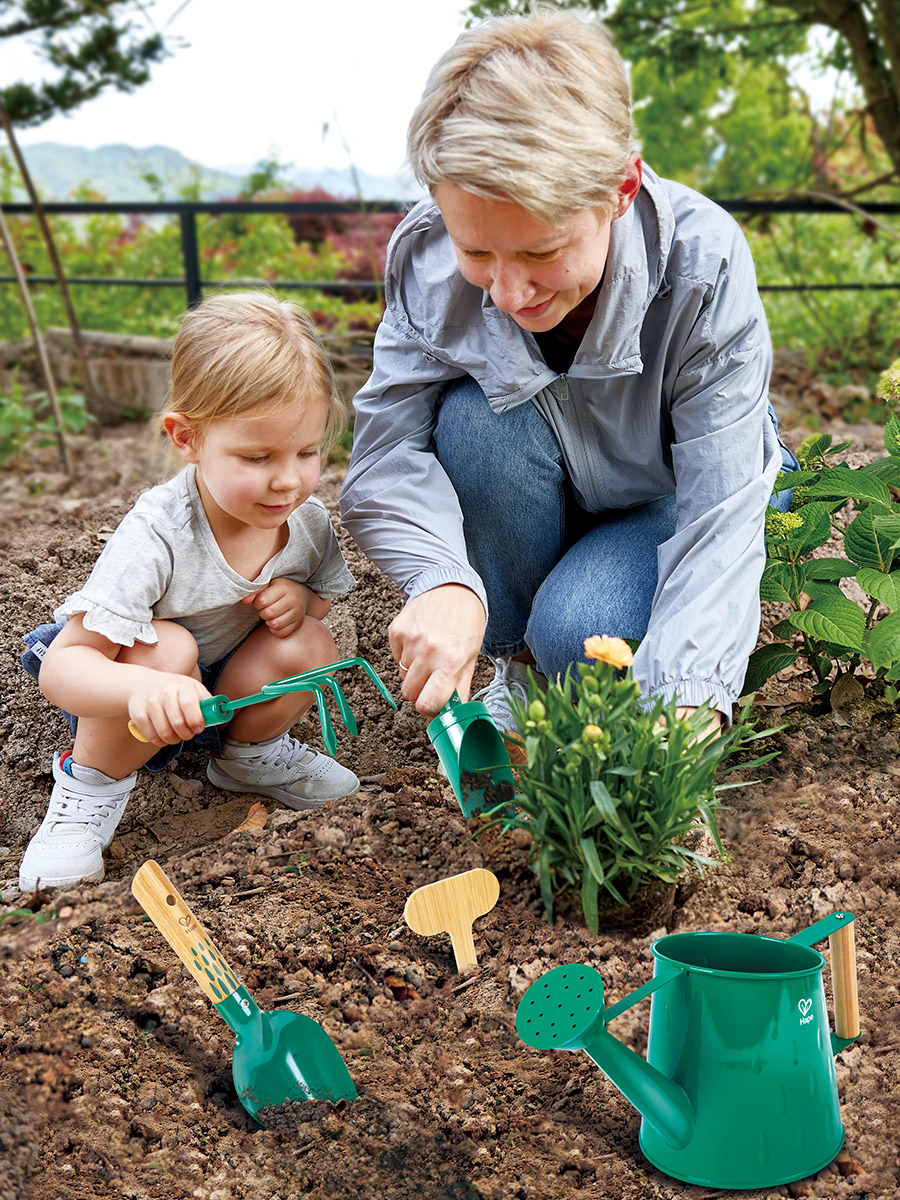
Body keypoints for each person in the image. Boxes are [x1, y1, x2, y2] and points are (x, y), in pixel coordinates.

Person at [340, 9, 797, 739]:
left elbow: (721, 504)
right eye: (478, 252)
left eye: (542, 251)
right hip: (539, 474)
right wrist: (445, 580)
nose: (509, 292)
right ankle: (513, 669)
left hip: (667, 489)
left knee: (581, 638)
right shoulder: (427, 264)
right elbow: (385, 457)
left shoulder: (701, 263)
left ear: (620, 190)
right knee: (470, 420)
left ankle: (557, 642)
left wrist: (684, 705)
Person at [19, 291, 360, 892]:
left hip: (218, 696)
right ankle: (88, 790)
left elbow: (321, 599)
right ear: (187, 438)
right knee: (167, 646)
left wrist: (301, 602)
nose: (289, 479)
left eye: (309, 452)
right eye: (257, 456)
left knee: (309, 640)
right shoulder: (158, 532)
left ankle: (247, 757)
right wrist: (147, 686)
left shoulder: (303, 520)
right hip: (129, 687)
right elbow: (66, 667)